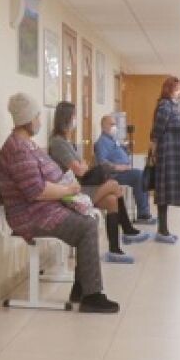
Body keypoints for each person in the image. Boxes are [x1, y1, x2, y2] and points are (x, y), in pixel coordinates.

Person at [0, 92, 120, 313]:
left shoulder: (28, 145)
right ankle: (91, 295)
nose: (39, 121)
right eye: (37, 116)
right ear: (27, 119)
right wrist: (67, 190)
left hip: (45, 208)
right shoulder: (17, 149)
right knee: (86, 226)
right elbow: (36, 190)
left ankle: (82, 288)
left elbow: (49, 175)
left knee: (88, 219)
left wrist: (67, 188)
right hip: (30, 216)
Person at [48, 102, 148, 264]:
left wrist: (82, 166)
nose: (75, 119)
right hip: (68, 195)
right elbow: (80, 170)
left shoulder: (66, 142)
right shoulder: (58, 143)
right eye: (74, 116)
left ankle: (114, 250)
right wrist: (82, 166)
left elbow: (82, 166)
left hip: (76, 189)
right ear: (66, 118)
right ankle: (127, 230)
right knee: (113, 185)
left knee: (112, 200)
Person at [94, 115, 156, 224]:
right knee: (139, 176)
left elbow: (121, 152)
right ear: (103, 126)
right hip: (115, 174)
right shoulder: (101, 142)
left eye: (115, 124)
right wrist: (119, 167)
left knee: (143, 175)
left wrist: (127, 148)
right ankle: (143, 215)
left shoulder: (113, 140)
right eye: (111, 124)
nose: (114, 127)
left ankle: (145, 213)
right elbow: (102, 163)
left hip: (125, 171)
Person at [149, 76, 180, 243]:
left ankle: (164, 229)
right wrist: (154, 151)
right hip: (166, 156)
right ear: (169, 89)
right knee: (163, 193)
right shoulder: (165, 106)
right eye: (177, 89)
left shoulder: (172, 107)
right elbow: (156, 132)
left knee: (166, 193)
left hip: (173, 156)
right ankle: (162, 231)